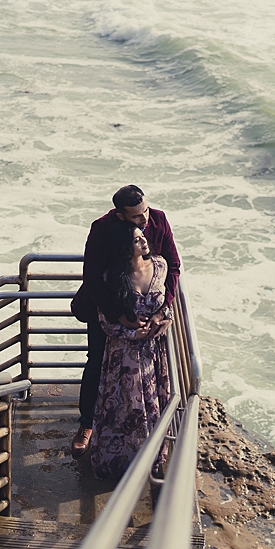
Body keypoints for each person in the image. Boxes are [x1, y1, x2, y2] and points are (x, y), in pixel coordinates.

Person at [70, 185, 180, 457]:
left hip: (148, 310)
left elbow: (173, 266)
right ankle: (87, 424)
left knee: (147, 373)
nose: (145, 220)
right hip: (106, 308)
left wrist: (161, 310)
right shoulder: (101, 228)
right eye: (137, 217)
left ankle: (147, 432)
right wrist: (117, 316)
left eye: (145, 211)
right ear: (120, 215)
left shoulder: (158, 218)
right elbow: (93, 277)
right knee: (97, 362)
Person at [88, 221, 172, 479]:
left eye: (143, 236)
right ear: (125, 250)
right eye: (137, 240)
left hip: (153, 352)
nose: (144, 241)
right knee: (123, 410)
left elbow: (167, 305)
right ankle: (120, 465)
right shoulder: (111, 278)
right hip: (123, 354)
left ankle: (150, 461)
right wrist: (132, 333)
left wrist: (162, 320)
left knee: (153, 407)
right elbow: (106, 321)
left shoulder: (160, 266)